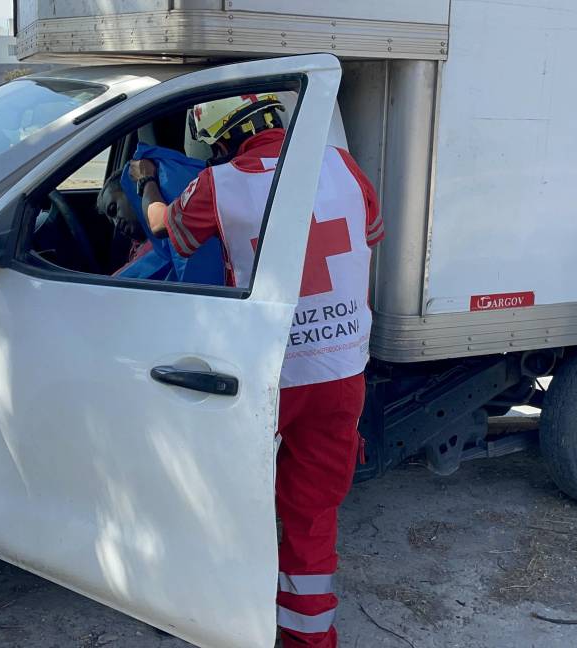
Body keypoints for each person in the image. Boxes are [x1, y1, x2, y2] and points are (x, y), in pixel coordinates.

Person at [129, 94, 384, 648]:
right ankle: (307, 638)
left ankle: (205, 614)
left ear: (218, 138)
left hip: (264, 373)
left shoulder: (220, 183)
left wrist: (148, 178)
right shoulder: (345, 167)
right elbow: (369, 238)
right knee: (312, 512)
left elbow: (164, 227)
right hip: (341, 371)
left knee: (216, 493)